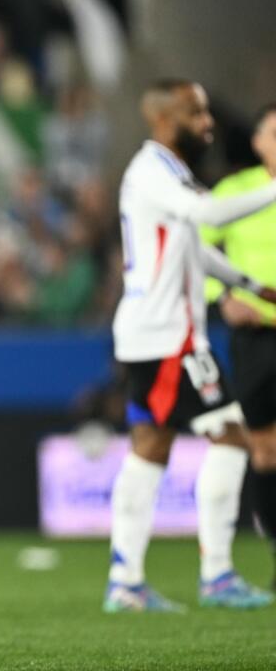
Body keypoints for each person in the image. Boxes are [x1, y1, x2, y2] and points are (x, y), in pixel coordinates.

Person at [106, 79, 276, 613]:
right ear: (164, 118)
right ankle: (217, 575)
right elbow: (206, 219)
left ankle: (126, 582)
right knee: (230, 437)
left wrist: (248, 285)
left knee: (150, 449)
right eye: (196, 112)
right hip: (168, 338)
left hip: (159, 334)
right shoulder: (151, 171)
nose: (208, 122)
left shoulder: (171, 174)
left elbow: (192, 249)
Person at [200, 102, 276, 593]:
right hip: (257, 335)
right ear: (257, 140)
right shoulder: (236, 191)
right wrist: (223, 297)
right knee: (266, 450)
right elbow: (189, 248)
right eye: (273, 130)